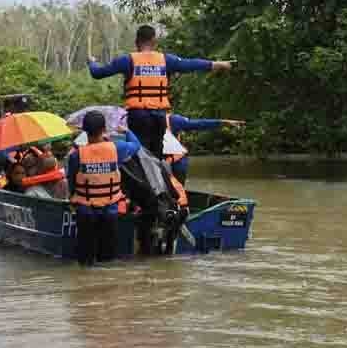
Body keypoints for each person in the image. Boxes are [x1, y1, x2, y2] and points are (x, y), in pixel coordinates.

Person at [87, 25, 234, 159]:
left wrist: (92, 62)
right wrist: (216, 64)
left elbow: (98, 73)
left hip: (138, 116)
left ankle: (143, 178)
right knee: (156, 156)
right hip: (159, 116)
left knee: (140, 155)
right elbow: (190, 64)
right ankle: (159, 177)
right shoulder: (166, 60)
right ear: (154, 41)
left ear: (136, 42)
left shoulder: (127, 60)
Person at [67, 111, 142, 265]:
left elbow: (72, 183)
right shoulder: (117, 148)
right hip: (110, 211)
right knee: (107, 260)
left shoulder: (76, 155)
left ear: (85, 131)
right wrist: (127, 131)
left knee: (85, 260)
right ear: (104, 129)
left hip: (85, 212)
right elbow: (136, 145)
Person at [165, 114, 245, 184]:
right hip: (175, 165)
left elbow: (199, 124)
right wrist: (224, 122)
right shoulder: (173, 120)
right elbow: (200, 124)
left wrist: (223, 122)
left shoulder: (172, 120)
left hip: (165, 166)